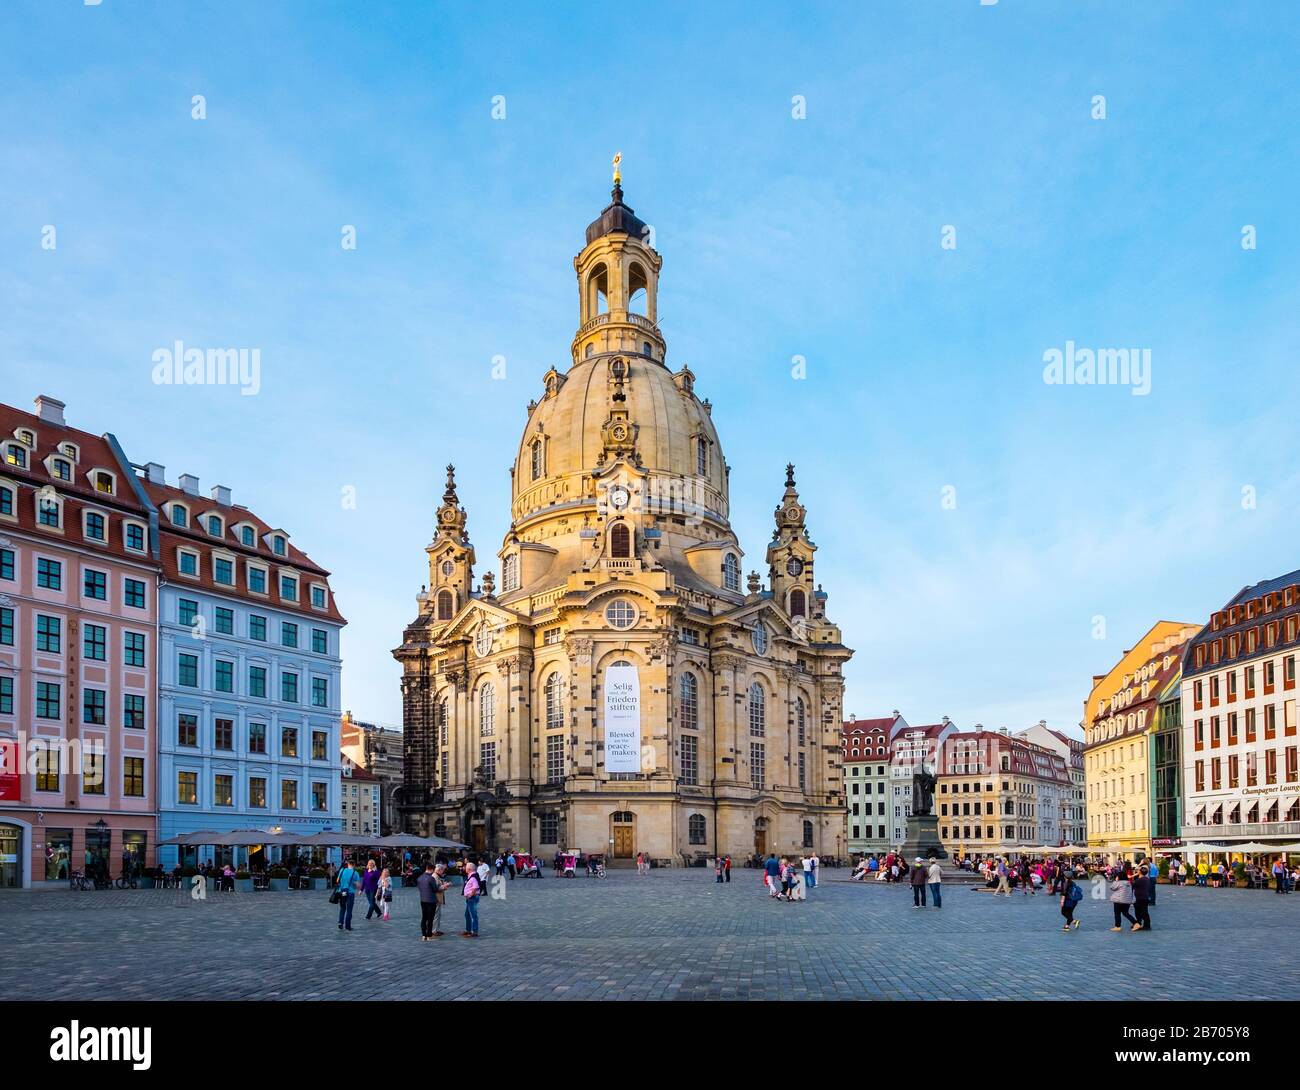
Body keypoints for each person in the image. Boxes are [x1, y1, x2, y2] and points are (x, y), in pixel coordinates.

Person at [335, 859, 359, 931]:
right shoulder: (355, 873)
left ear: (348, 864)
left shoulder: (342, 870)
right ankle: (348, 926)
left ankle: (340, 922)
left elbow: (337, 880)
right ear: (354, 865)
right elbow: (357, 885)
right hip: (350, 892)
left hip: (341, 891)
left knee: (342, 908)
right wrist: (354, 883)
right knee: (349, 909)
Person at [461, 861, 481, 938]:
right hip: (470, 898)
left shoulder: (473, 877)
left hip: (472, 898)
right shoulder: (471, 876)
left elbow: (476, 887)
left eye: (465, 868)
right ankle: (468, 930)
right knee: (467, 914)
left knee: (473, 915)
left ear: (469, 869)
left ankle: (474, 931)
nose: (464, 869)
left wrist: (469, 895)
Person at [1132, 864, 1154, 931]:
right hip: (1143, 897)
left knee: (1143, 912)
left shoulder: (1140, 880)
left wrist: (1134, 875)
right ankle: (1139, 923)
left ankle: (1146, 925)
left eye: (1138, 870)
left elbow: (1133, 884)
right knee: (1139, 911)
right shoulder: (1146, 879)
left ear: (1140, 872)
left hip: (1141, 898)